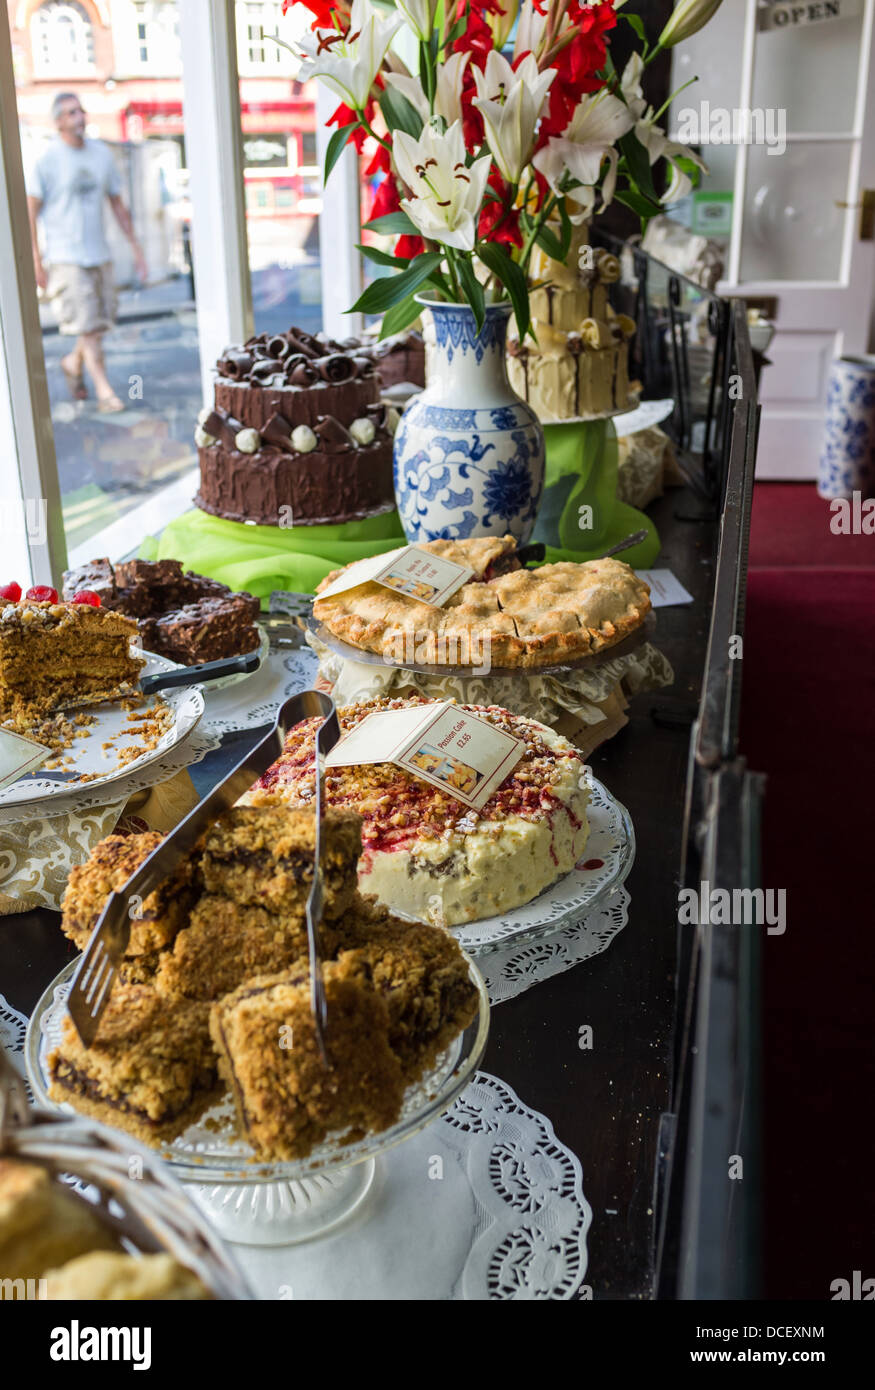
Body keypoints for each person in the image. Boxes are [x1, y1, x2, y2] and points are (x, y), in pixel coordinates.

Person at [26, 92, 148, 413]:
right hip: (66, 258)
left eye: (80, 111)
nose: (78, 117)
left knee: (100, 322)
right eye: (70, 113)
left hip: (99, 254)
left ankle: (72, 361)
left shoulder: (101, 155)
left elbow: (118, 205)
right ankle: (105, 392)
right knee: (89, 328)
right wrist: (35, 262)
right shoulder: (47, 159)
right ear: (58, 122)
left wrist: (137, 249)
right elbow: (31, 214)